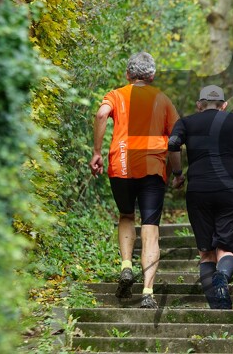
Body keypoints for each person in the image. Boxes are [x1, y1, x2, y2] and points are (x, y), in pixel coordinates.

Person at [89, 52, 179, 309]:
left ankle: (126, 266)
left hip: (122, 164)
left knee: (126, 215)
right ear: (151, 76)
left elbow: (100, 115)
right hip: (153, 165)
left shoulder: (116, 95)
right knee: (150, 226)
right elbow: (175, 140)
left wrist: (97, 152)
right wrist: (178, 172)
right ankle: (148, 292)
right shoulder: (162, 99)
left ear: (128, 75)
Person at [167, 85, 233, 309]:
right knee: (226, 249)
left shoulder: (187, 122)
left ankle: (218, 307)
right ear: (224, 105)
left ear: (199, 105)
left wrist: (178, 175)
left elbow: (172, 144)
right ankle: (223, 278)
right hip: (229, 188)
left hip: (198, 189)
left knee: (206, 252)